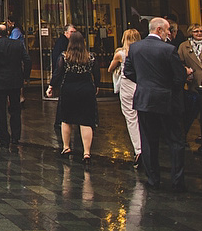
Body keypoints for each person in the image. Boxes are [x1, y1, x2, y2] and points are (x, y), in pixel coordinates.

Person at [123, 17, 190, 191]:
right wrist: (167, 86)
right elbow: (179, 77)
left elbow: (128, 71)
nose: (169, 33)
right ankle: (177, 181)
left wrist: (144, 83)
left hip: (145, 99)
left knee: (149, 140)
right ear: (159, 30)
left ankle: (153, 179)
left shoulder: (135, 48)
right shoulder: (168, 50)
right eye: (168, 30)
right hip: (166, 100)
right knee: (175, 141)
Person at [47, 31, 100, 165]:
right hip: (86, 89)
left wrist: (51, 86)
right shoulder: (90, 57)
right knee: (86, 121)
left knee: (66, 119)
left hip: (69, 89)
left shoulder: (64, 57)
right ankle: (86, 152)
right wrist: (97, 86)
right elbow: (97, 74)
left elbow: (58, 73)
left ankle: (66, 147)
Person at [0, 23, 32, 147]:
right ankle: (15, 136)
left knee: (0, 111)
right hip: (15, 81)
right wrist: (25, 76)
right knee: (15, 109)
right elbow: (27, 60)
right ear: (8, 33)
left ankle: (3, 138)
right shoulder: (18, 45)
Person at [108, 28, 143, 167]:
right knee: (142, 116)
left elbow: (110, 68)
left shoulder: (121, 54)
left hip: (127, 86)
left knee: (131, 117)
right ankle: (145, 146)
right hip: (140, 85)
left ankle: (139, 149)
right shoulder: (142, 52)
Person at [177, 24, 202, 137]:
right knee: (196, 109)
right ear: (191, 32)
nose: (199, 33)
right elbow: (179, 62)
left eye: (201, 31)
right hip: (194, 81)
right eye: (196, 31)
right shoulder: (184, 46)